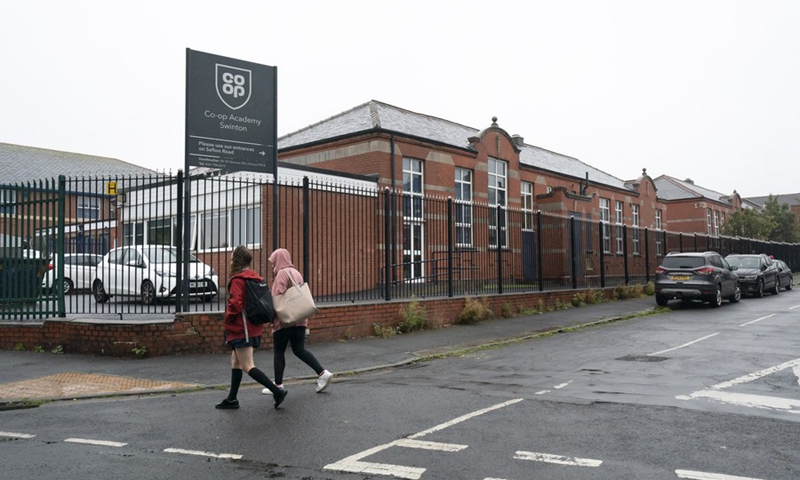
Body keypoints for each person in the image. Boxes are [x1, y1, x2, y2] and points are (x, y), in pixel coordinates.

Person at [217, 245, 288, 410]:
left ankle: (277, 392)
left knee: (248, 365)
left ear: (237, 260)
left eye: (233, 256)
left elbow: (235, 304)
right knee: (235, 360)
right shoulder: (256, 277)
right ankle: (232, 399)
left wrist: (227, 319)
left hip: (242, 328)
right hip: (252, 325)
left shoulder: (238, 280)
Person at [262, 248, 333, 396]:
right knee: (299, 349)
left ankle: (278, 385)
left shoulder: (281, 274)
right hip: (300, 318)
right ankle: (322, 372)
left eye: (273, 261)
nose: (272, 265)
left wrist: (272, 318)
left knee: (279, 351)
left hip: (285, 321)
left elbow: (276, 299)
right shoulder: (296, 273)